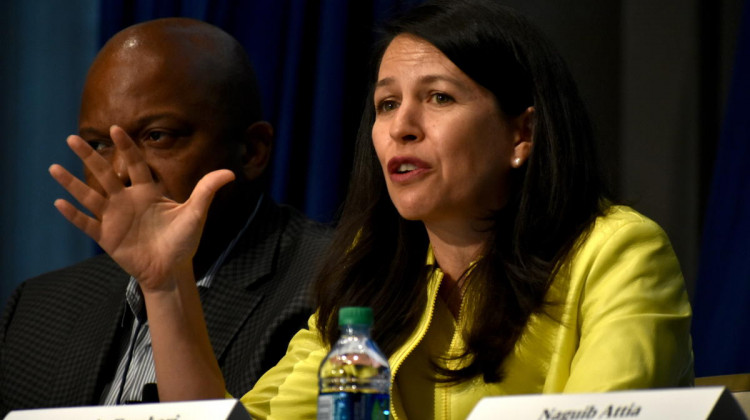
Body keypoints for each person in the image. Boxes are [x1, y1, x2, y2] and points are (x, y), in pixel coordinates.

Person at [240, 1, 694, 418]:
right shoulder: (371, 273)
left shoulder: (618, 252)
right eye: (387, 103)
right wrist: (168, 285)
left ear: (522, 134)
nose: (401, 127)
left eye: (439, 97)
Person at [0, 18, 330, 415]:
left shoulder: (332, 283)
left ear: (252, 150)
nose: (121, 171)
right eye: (99, 144)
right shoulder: (39, 307)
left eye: (157, 136)